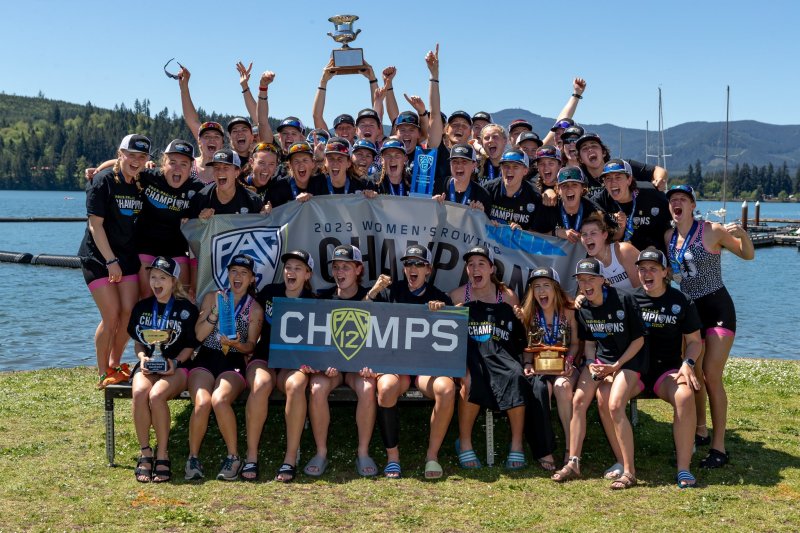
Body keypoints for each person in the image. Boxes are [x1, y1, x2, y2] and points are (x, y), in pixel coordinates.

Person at [665, 185, 754, 468]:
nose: (677, 203)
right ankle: (700, 431)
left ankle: (719, 448)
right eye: (673, 200)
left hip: (717, 309)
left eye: (683, 200)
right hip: (690, 313)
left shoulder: (711, 229)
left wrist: (743, 235)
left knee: (711, 375)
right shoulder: (668, 237)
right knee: (693, 374)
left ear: (692, 206)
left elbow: (747, 255)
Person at [552, 258, 646, 490]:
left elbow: (639, 340)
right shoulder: (583, 308)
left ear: (602, 280)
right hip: (602, 363)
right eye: (581, 280)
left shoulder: (624, 300)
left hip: (629, 362)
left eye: (591, 278)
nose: (586, 284)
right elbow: (592, 344)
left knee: (612, 404)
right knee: (579, 401)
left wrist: (615, 367)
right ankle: (573, 462)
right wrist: (593, 364)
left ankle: (630, 471)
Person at [364, 245, 454, 479]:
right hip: (396, 365)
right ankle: (393, 457)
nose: (412, 268)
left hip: (426, 368)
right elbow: (359, 317)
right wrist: (372, 293)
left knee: (446, 388)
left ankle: (432, 456)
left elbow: (453, 333)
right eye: (408, 264)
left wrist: (443, 314)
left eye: (418, 264)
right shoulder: (389, 291)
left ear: (429, 270)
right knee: (385, 388)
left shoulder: (440, 297)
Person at [79, 134, 149, 388]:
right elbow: (95, 226)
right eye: (131, 155)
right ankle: (102, 372)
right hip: (98, 258)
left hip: (128, 257)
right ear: (121, 153)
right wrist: (110, 261)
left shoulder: (141, 181)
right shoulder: (102, 181)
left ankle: (115, 363)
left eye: (142, 157)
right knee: (111, 317)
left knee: (128, 314)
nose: (136, 161)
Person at [185, 254, 263, 481]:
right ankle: (193, 457)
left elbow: (249, 347)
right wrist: (215, 313)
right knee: (202, 401)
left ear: (251, 279)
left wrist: (236, 342)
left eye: (243, 273)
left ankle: (233, 456)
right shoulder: (212, 298)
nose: (237, 277)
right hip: (206, 357)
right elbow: (198, 336)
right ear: (227, 275)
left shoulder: (254, 308)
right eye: (234, 272)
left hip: (234, 360)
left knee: (219, 400)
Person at [449, 246, 526, 470]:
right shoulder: (456, 296)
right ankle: (464, 443)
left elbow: (519, 335)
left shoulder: (508, 297)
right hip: (469, 357)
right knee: (470, 381)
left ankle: (517, 444)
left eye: (481, 263)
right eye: (471, 264)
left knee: (516, 376)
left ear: (492, 268)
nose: (475, 268)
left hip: (500, 356)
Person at [633, 248, 702, 488]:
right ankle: (623, 464)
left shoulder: (680, 300)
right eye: (642, 269)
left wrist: (688, 364)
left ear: (665, 272)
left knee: (684, 395)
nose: (646, 273)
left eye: (653, 268)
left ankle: (683, 468)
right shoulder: (629, 300)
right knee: (607, 395)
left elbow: (694, 342)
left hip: (666, 373)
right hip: (635, 372)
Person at [246, 250, 317, 482]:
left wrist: (313, 363)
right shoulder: (269, 292)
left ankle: (290, 457)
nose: (291, 272)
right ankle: (251, 456)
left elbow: (318, 343)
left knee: (296, 386)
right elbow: (250, 321)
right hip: (265, 358)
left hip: (293, 363)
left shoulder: (314, 303)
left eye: (298, 268)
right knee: (260, 384)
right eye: (288, 267)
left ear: (307, 274)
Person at [308, 245, 378, 477]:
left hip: (359, 369)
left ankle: (363, 452)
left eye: (346, 267)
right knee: (317, 387)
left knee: (368, 388)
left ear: (359, 269)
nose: (340, 272)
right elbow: (315, 340)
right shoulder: (321, 297)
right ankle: (320, 452)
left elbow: (382, 340)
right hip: (332, 370)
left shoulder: (376, 299)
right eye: (336, 267)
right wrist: (320, 363)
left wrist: (371, 364)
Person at [128, 257, 199, 483]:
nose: (156, 282)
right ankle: (145, 452)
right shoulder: (142, 307)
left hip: (177, 367)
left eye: (162, 277)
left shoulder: (186, 309)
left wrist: (175, 363)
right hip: (149, 365)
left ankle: (162, 454)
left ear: (173, 281)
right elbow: (138, 341)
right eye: (153, 277)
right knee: (140, 393)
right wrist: (142, 358)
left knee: (157, 396)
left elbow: (190, 346)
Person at [517, 267, 580, 472]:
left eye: (546, 285)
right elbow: (526, 347)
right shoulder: (528, 313)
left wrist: (569, 360)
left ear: (555, 288)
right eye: (536, 287)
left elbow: (576, 344)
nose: (541, 291)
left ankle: (571, 450)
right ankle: (545, 448)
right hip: (540, 368)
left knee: (562, 387)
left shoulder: (569, 310)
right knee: (542, 390)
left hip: (565, 368)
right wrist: (527, 364)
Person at [594, 159, 671, 254]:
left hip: (654, 253)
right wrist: (621, 227)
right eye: (608, 178)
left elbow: (674, 221)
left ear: (629, 180)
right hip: (622, 254)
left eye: (618, 177)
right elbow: (608, 238)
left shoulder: (652, 194)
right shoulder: (600, 201)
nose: (613, 182)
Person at [533, 167, 615, 243]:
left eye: (574, 184)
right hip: (555, 257)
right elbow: (532, 235)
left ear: (582, 189)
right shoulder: (549, 207)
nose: (569, 189)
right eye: (564, 186)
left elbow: (612, 237)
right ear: (558, 190)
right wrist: (556, 232)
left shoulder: (595, 210)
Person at [186, 149, 265, 219]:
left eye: (226, 168)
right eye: (216, 168)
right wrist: (200, 222)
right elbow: (190, 230)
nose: (220, 172)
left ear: (237, 172)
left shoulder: (252, 201)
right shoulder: (201, 198)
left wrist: (266, 215)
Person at [484, 149, 543, 231]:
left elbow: (538, 232)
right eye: (506, 166)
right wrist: (487, 222)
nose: (509, 170)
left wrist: (523, 233)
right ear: (501, 168)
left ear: (525, 171)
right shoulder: (488, 189)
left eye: (515, 167)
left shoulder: (535, 196)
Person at [579, 212, 640, 290]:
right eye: (584, 234)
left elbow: (641, 289)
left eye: (593, 233)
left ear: (605, 235)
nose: (587, 237)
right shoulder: (591, 264)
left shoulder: (623, 250)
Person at [432, 143, 492, 217]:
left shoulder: (482, 195)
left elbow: (487, 226)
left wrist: (481, 215)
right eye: (454, 161)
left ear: (474, 165)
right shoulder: (436, 186)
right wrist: (430, 204)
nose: (459, 165)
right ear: (450, 164)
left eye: (464, 161)